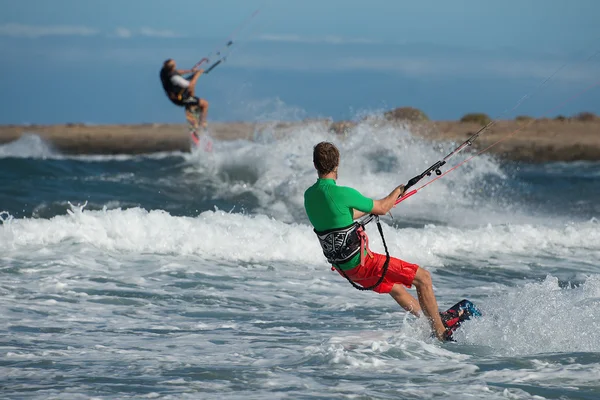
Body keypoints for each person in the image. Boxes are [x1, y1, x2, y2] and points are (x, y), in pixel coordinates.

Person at [303, 141, 449, 341]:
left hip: (344, 268)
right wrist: (396, 192)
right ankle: (440, 332)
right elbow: (380, 207)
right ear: (337, 164)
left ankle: (427, 319)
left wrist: (382, 205)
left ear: (315, 164)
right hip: (362, 264)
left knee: (395, 287)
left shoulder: (310, 195)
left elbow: (342, 214)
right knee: (423, 278)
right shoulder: (343, 193)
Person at [159, 59, 209, 130]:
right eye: (174, 64)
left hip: (176, 94)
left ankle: (192, 105)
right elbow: (191, 85)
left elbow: (177, 72)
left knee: (191, 82)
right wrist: (198, 74)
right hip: (180, 99)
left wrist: (191, 71)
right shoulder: (175, 78)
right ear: (173, 67)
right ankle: (202, 123)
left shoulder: (163, 71)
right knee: (205, 104)